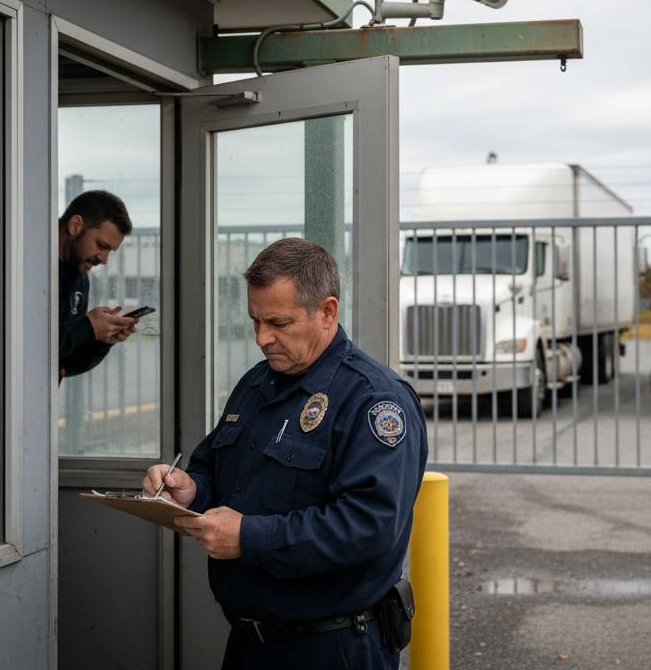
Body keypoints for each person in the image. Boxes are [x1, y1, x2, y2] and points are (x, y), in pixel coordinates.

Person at [144, 238, 427, 670]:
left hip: (333, 649)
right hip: (249, 644)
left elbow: (369, 525)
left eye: (278, 322)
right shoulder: (258, 384)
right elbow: (214, 470)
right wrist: (189, 490)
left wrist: (249, 538)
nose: (261, 338)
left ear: (327, 312)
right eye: (255, 320)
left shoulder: (373, 400)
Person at [58, 190, 138, 379]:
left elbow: (65, 364)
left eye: (110, 251)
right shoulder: (22, 267)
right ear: (75, 225)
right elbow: (20, 346)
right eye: (102, 246)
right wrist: (86, 328)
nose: (104, 260)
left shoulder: (79, 275)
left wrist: (102, 339)